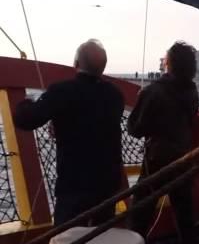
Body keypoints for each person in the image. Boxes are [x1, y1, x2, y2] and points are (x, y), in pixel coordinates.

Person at [13, 39, 126, 226]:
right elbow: (95, 122)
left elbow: (26, 120)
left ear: (76, 64)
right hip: (108, 184)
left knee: (67, 240)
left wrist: (26, 102)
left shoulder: (62, 91)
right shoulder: (115, 94)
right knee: (102, 235)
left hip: (74, 185)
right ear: (103, 68)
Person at [127, 41, 199, 244]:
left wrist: (142, 98)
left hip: (157, 160)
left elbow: (135, 129)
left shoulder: (154, 91)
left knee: (140, 214)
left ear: (169, 63)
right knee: (185, 216)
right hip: (183, 158)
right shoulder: (192, 90)